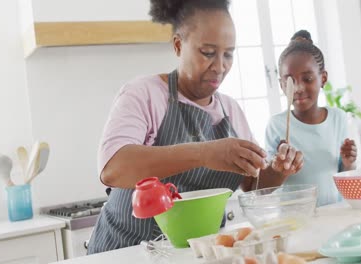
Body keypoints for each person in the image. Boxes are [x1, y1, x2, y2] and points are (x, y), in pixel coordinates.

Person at [87, 0, 304, 254]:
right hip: (128, 253)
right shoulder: (145, 93)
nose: (220, 66)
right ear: (179, 45)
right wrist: (205, 154)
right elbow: (113, 169)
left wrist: (278, 172)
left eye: (228, 54)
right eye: (208, 53)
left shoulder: (231, 110)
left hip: (200, 254)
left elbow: (252, 184)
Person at [265, 30, 357, 207]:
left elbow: (344, 175)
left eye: (307, 79)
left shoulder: (338, 118)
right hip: (294, 220)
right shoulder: (276, 125)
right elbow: (268, 185)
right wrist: (280, 167)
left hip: (333, 213)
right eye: (290, 81)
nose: (298, 88)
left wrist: (348, 163)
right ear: (282, 85)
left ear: (323, 78)